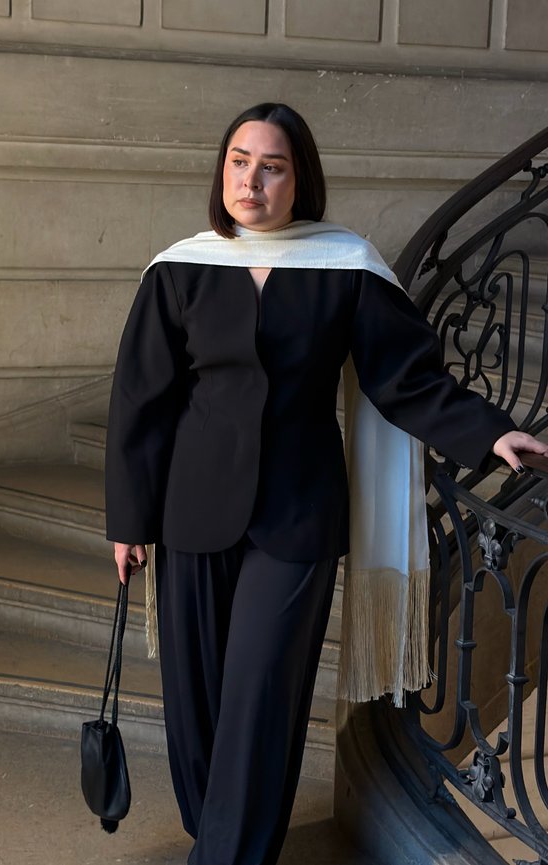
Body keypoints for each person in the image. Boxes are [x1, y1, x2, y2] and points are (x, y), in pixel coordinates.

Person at [104, 103, 548, 865]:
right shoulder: (181, 267)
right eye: (240, 161)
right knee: (201, 704)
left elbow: (407, 378)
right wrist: (128, 517)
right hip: (190, 510)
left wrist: (488, 431)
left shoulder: (345, 267)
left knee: (261, 695)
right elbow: (140, 401)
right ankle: (220, 832)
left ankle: (228, 854)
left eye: (272, 166)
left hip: (297, 519)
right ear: (222, 171)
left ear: (299, 179)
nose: (252, 179)